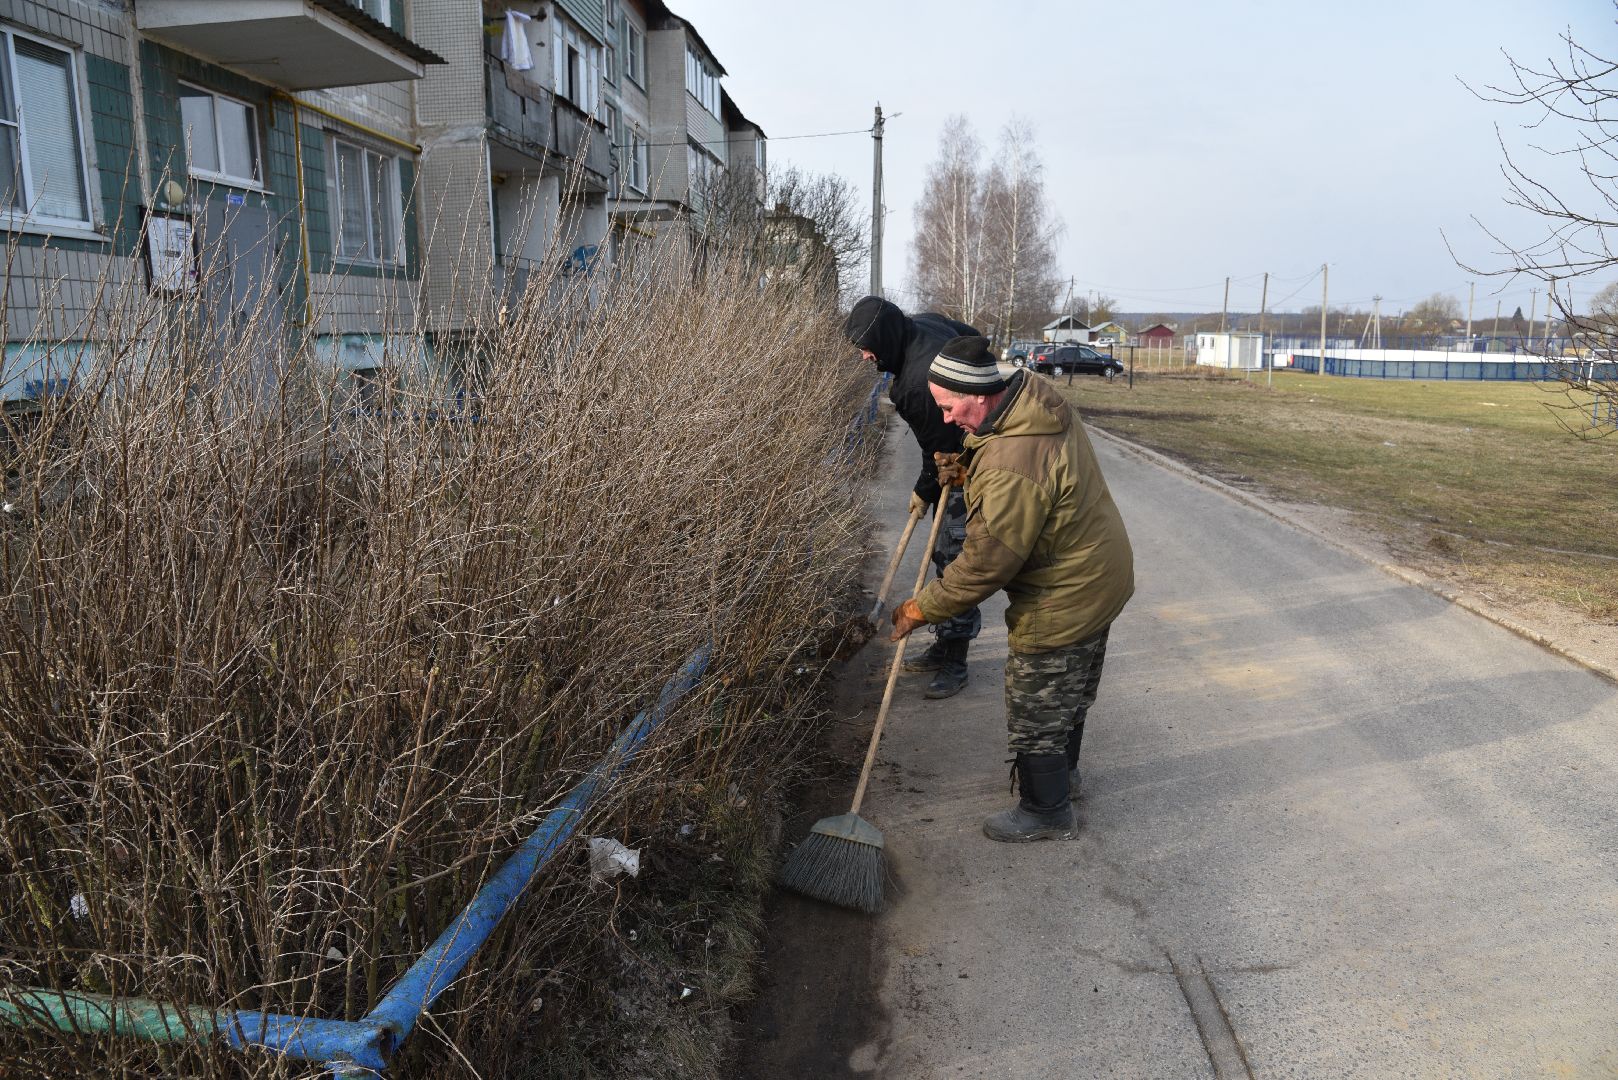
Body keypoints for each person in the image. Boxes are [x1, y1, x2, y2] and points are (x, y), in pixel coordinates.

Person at [890, 335, 1135, 842]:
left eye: (949, 407)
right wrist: (969, 470)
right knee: (1068, 690)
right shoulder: (1028, 402)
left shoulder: (1011, 462)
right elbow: (1025, 469)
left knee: (1036, 702)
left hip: (1067, 589)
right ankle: (1064, 780)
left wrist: (921, 608)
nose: (947, 419)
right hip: (1099, 573)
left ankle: (1046, 811)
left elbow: (985, 564)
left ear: (978, 394)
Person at [843, 296, 982, 699]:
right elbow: (974, 338)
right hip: (963, 444)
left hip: (969, 464)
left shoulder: (917, 383)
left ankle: (955, 659)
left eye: (867, 347)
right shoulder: (922, 323)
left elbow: (935, 452)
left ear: (885, 337)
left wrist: (923, 491)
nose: (865, 356)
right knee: (943, 552)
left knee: (956, 559)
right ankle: (944, 644)